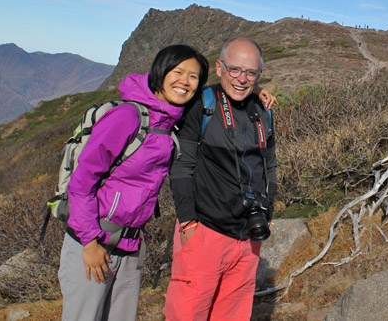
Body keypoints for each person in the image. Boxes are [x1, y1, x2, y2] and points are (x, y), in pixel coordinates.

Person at [58, 44, 274, 321]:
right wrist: (88, 242)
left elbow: (230, 84)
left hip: (131, 243)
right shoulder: (127, 116)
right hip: (94, 239)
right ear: (160, 72)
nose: (184, 81)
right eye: (177, 72)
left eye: (193, 76)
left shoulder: (173, 115)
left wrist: (254, 89)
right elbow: (81, 183)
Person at [164, 37, 277, 321]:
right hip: (205, 231)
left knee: (233, 315)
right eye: (234, 69)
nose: (242, 79)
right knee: (188, 314)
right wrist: (188, 220)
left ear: (259, 75)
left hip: (248, 236)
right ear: (219, 67)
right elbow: (182, 165)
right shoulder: (202, 104)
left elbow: (269, 165)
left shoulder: (262, 111)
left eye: (251, 73)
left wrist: (268, 209)